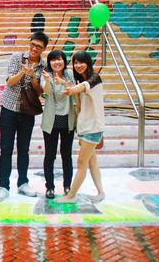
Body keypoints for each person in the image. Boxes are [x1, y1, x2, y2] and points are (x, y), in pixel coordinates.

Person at [0, 31, 49, 202]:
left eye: (39, 47)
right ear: (29, 43)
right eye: (33, 44)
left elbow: (40, 92)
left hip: (27, 111)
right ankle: (3, 186)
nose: (35, 48)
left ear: (43, 49)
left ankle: (23, 183)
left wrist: (32, 78)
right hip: (9, 108)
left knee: (24, 149)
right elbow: (9, 82)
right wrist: (23, 72)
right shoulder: (17, 58)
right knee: (6, 148)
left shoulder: (43, 66)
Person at [55, 50, 105, 204]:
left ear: (88, 63)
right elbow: (78, 98)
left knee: (81, 163)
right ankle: (101, 192)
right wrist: (65, 84)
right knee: (91, 162)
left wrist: (69, 89)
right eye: (75, 62)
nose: (78, 65)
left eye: (81, 62)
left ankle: (70, 195)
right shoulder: (81, 82)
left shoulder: (94, 79)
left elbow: (80, 87)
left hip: (93, 129)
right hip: (85, 128)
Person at [40, 50, 76, 199]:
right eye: (53, 60)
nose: (57, 62)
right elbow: (46, 92)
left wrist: (65, 83)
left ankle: (67, 186)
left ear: (64, 61)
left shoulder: (71, 75)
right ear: (49, 63)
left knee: (66, 155)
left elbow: (74, 92)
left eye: (59, 59)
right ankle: (50, 187)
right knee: (50, 155)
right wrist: (48, 81)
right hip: (51, 121)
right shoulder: (45, 75)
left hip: (68, 120)